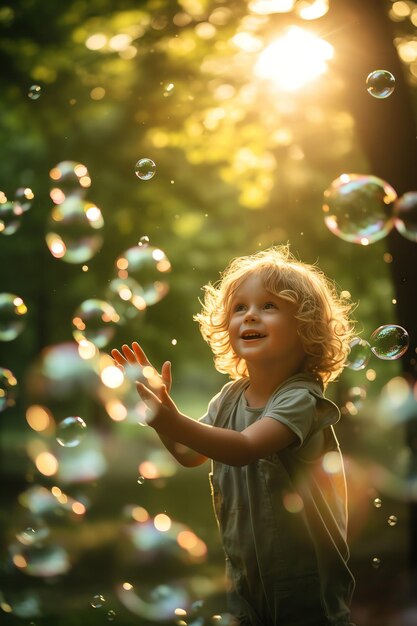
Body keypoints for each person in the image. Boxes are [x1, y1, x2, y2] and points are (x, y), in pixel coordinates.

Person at [111, 245, 357, 626]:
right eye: (239, 308)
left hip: (304, 589)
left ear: (307, 326)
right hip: (245, 582)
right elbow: (187, 452)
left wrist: (170, 418)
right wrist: (158, 413)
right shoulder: (229, 398)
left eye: (269, 306)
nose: (250, 315)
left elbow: (245, 448)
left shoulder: (301, 398)